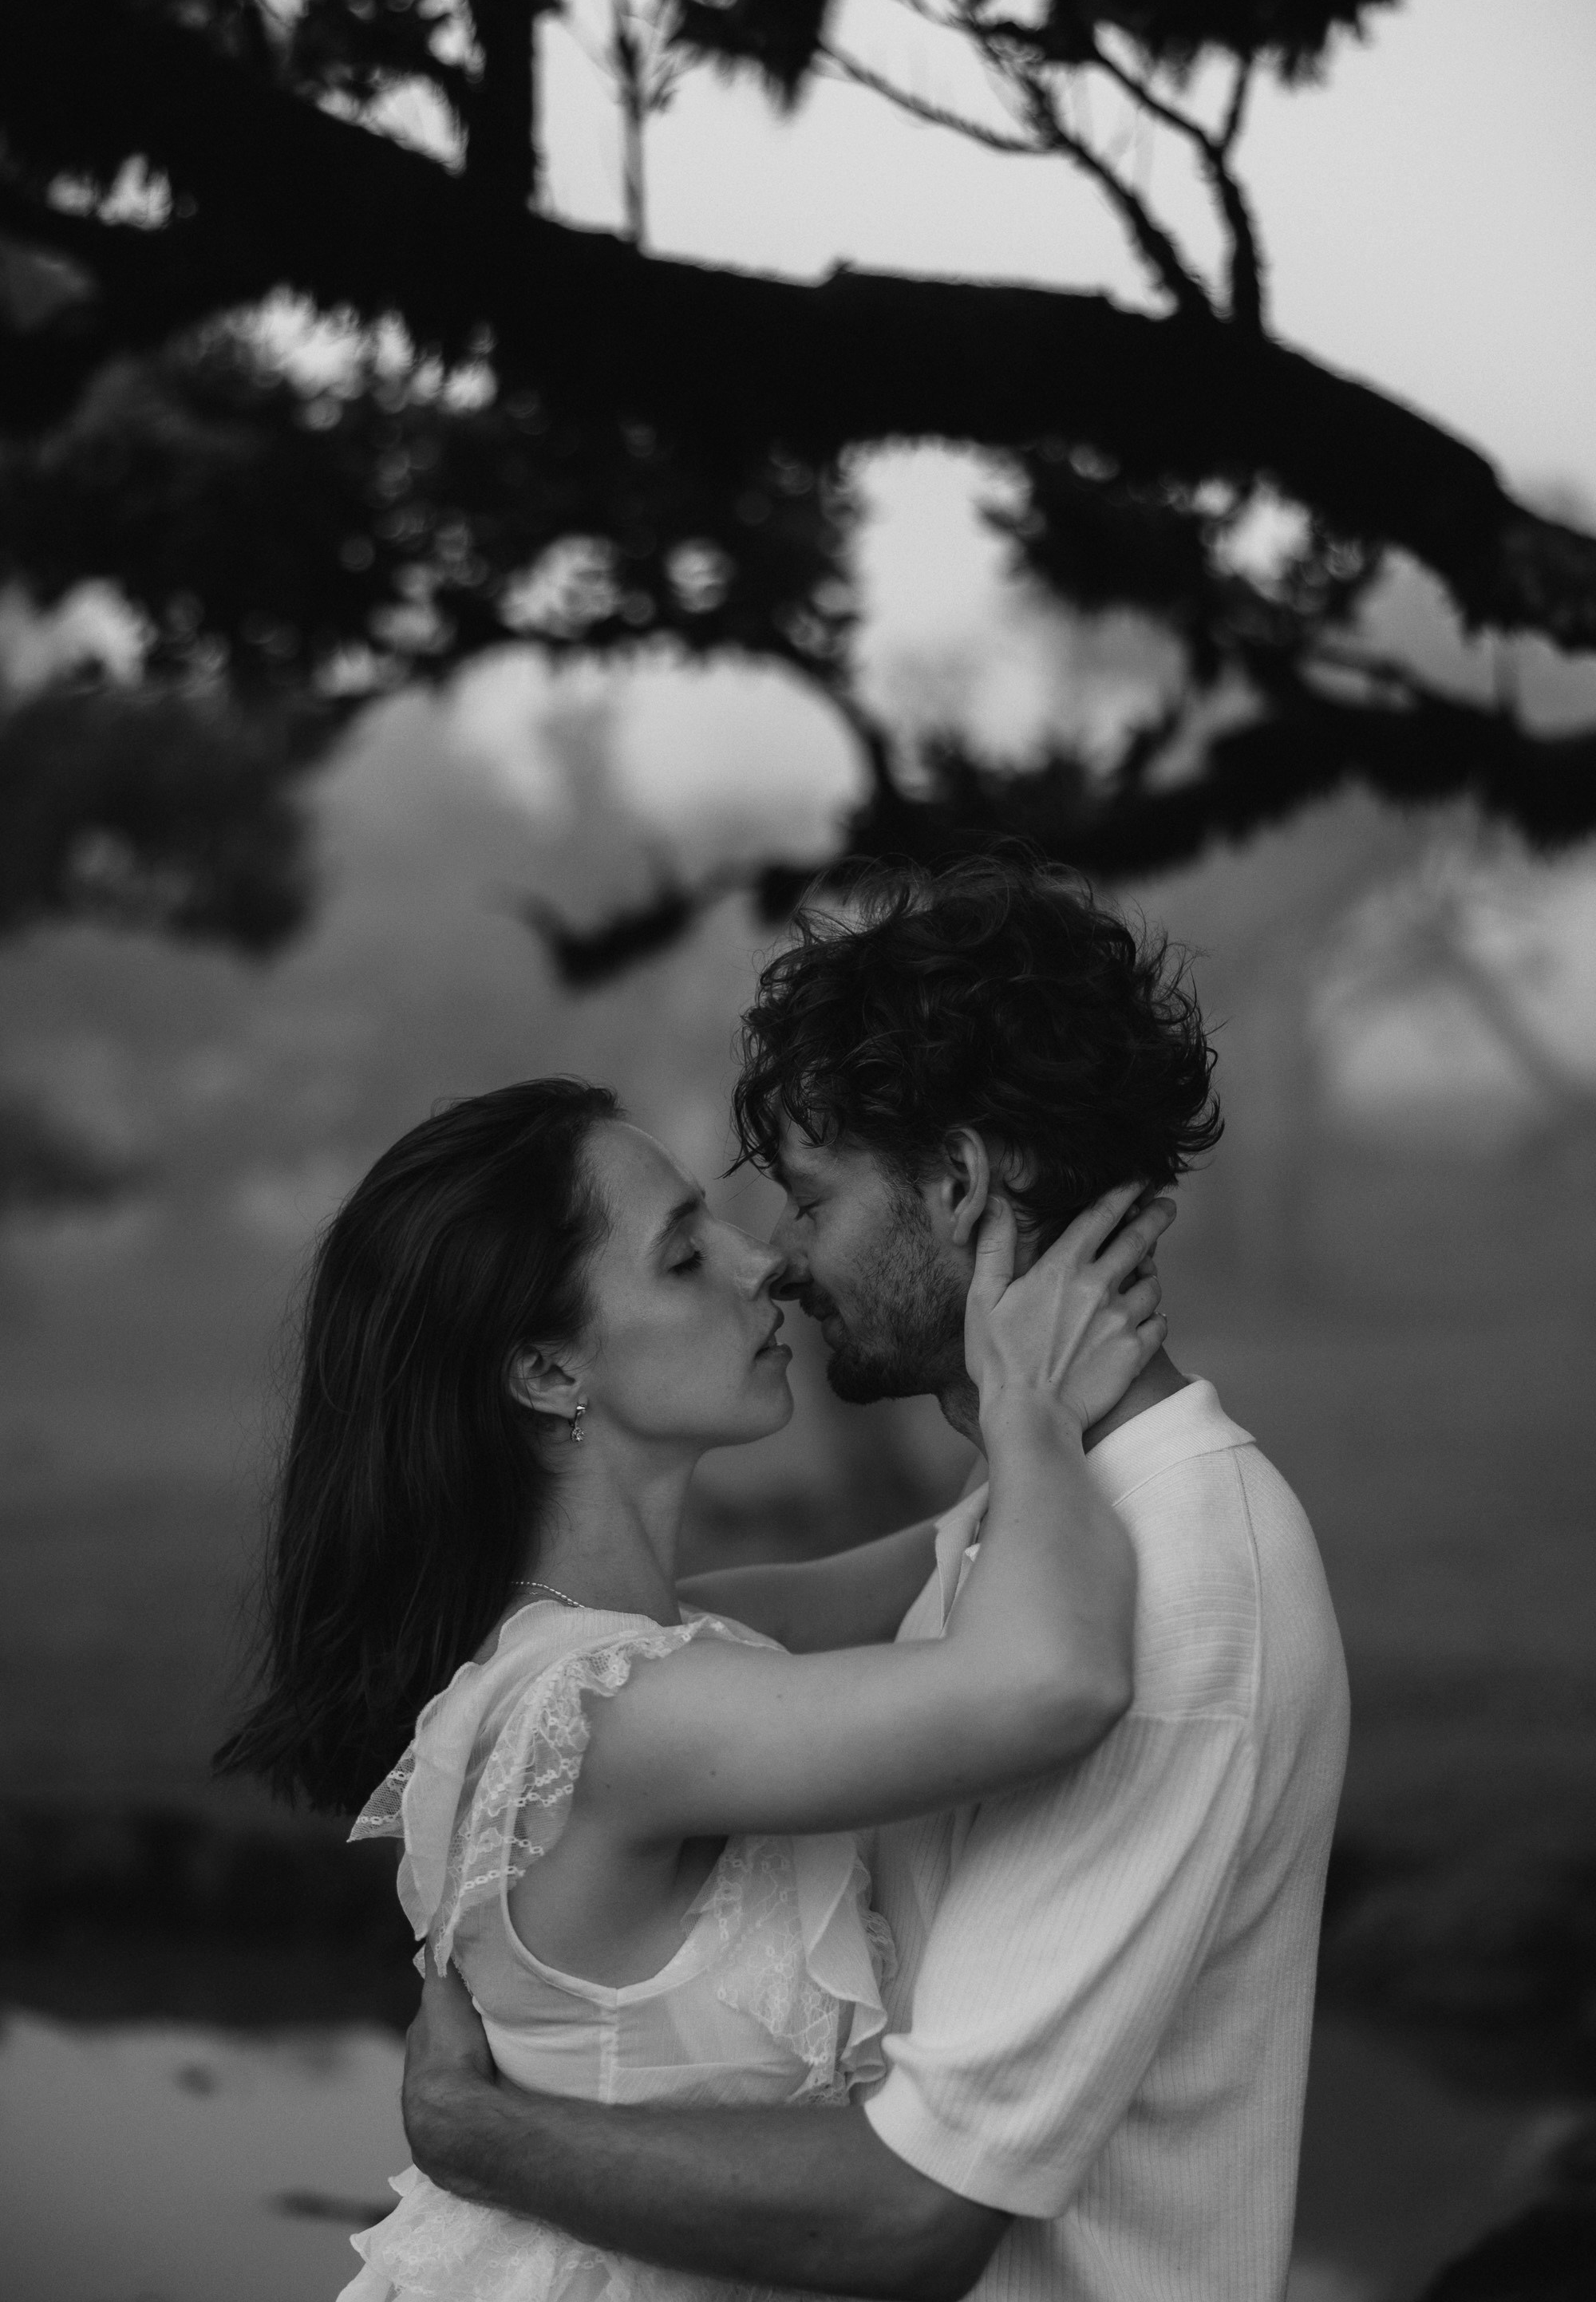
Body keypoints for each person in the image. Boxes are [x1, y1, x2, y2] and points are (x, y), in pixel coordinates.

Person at [401, 859, 1352, 2302]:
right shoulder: (1033, 1525)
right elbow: (690, 1636)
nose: (776, 1266)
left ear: (960, 1185)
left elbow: (918, 2211)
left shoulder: (1177, 1594)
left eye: (808, 1198)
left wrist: (476, 2133)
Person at [215, 1069, 1173, 2301]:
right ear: (549, 1374)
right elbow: (1054, 1679)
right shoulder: (617, 1714)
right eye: (681, 1257)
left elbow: (969, 1558)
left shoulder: (672, 1646)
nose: (759, 1262)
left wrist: (1033, 1348)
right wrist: (1028, 1405)